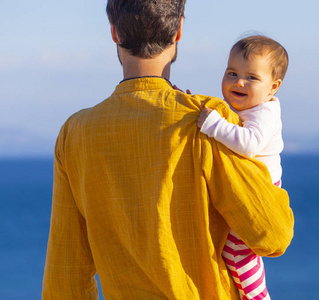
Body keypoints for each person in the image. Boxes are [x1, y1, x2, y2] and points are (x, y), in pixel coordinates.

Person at [42, 1, 294, 299]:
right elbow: (271, 235)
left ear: (114, 32)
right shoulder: (206, 119)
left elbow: (66, 274)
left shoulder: (75, 133)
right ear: (178, 31)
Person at [197, 35, 288, 300]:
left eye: (251, 78)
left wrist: (213, 125)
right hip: (253, 186)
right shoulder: (248, 107)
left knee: (237, 252)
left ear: (273, 88)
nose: (239, 82)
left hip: (261, 190)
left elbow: (248, 144)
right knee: (234, 249)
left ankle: (256, 296)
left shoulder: (264, 114)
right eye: (232, 73)